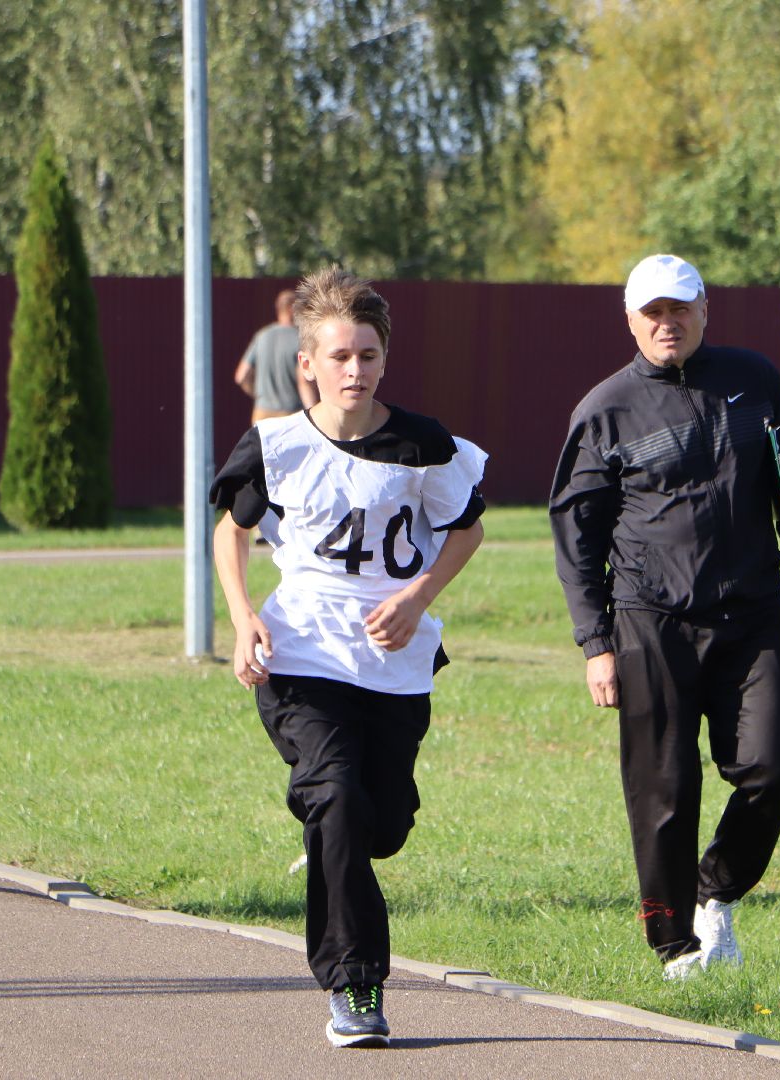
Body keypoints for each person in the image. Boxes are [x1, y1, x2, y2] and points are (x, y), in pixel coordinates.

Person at [210, 266, 485, 1047]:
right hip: (300, 659)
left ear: (384, 359)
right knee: (334, 797)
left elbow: (466, 527)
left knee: (381, 821)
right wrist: (241, 618)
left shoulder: (423, 444)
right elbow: (231, 529)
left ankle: (333, 842)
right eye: (338, 356)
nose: (353, 370)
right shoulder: (277, 446)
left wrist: (418, 597)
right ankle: (354, 986)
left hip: (393, 668)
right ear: (307, 364)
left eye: (366, 355)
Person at [548, 253, 780, 980]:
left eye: (679, 309)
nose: (666, 323)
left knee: (772, 768)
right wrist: (595, 641)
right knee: (664, 790)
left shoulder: (754, 383)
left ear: (705, 309)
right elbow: (576, 535)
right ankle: (674, 944)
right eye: (652, 312)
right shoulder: (605, 409)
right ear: (630, 321)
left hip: (751, 614)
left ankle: (716, 890)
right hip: (650, 621)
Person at [234, 287, 317, 425]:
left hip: (261, 413)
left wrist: (259, 395)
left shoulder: (261, 336)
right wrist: (313, 415)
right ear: (292, 309)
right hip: (290, 413)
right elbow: (304, 383)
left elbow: (241, 376)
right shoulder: (299, 339)